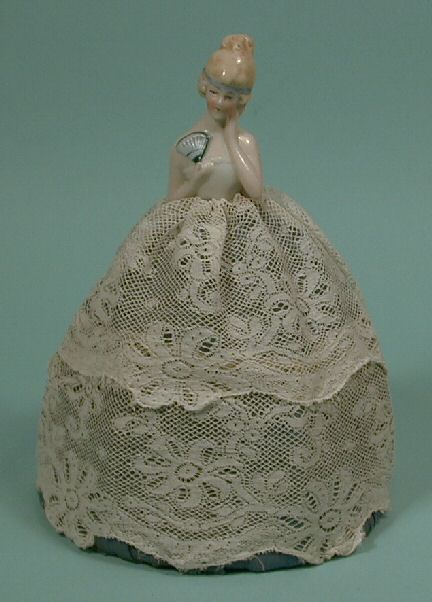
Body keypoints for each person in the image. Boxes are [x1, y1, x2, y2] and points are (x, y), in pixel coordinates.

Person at [37, 34, 394, 573]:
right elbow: (173, 197)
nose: (222, 102)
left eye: (233, 97)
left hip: (250, 244)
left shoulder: (244, 140)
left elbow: (255, 190)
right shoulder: (187, 144)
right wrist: (200, 175)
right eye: (216, 92)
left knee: (268, 341)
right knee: (166, 340)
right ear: (202, 87)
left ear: (244, 102)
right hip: (188, 247)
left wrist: (230, 137)